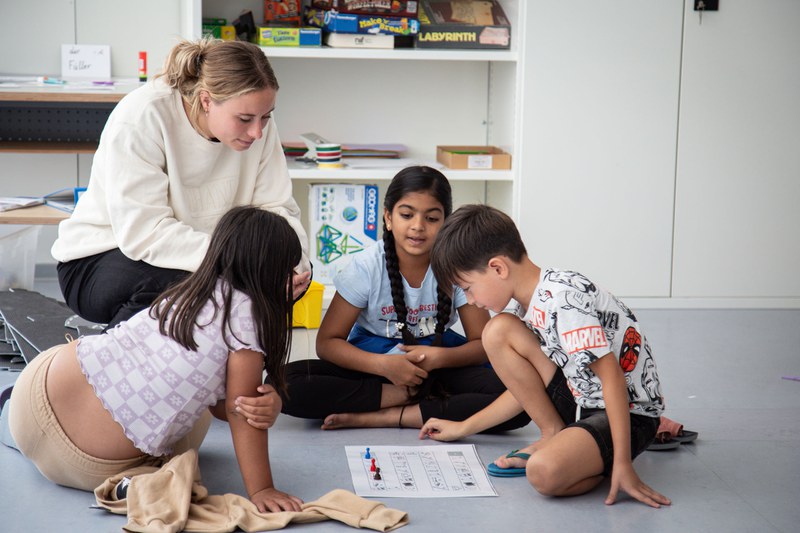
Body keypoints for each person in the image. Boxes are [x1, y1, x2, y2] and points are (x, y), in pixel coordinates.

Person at [8, 206, 303, 513]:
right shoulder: (246, 315)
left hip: (34, 394)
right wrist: (262, 489)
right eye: (288, 271)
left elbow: (219, 397)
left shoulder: (189, 288)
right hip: (88, 465)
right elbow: (240, 410)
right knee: (193, 429)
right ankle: (137, 484)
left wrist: (257, 403)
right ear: (270, 271)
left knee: (171, 385)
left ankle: (9, 419)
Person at [418, 204, 670, 509]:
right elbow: (524, 390)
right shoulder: (523, 306)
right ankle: (554, 434)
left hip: (628, 416)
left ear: (498, 268)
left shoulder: (563, 301)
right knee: (496, 331)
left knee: (543, 473)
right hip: (581, 401)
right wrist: (463, 427)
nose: (471, 301)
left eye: (468, 289)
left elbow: (612, 378)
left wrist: (622, 464)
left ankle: (596, 457)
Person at [52, 38, 311, 331]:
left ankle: (217, 372)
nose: (257, 132)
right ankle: (108, 368)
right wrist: (244, 267)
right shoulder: (143, 116)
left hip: (209, 259)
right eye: (244, 119)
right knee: (178, 286)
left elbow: (277, 207)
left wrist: (294, 263)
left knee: (285, 280)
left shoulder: (258, 126)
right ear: (205, 100)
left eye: (266, 117)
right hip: (101, 258)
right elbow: (145, 234)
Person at [277, 166, 529, 433]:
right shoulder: (366, 267)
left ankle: (390, 415)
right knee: (284, 384)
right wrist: (384, 366)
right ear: (388, 217)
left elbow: (481, 344)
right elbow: (327, 343)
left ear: (446, 221)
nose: (418, 227)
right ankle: (409, 400)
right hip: (375, 369)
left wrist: (437, 358)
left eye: (432, 218)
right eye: (406, 215)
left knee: (519, 395)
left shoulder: (458, 267)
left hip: (439, 367)